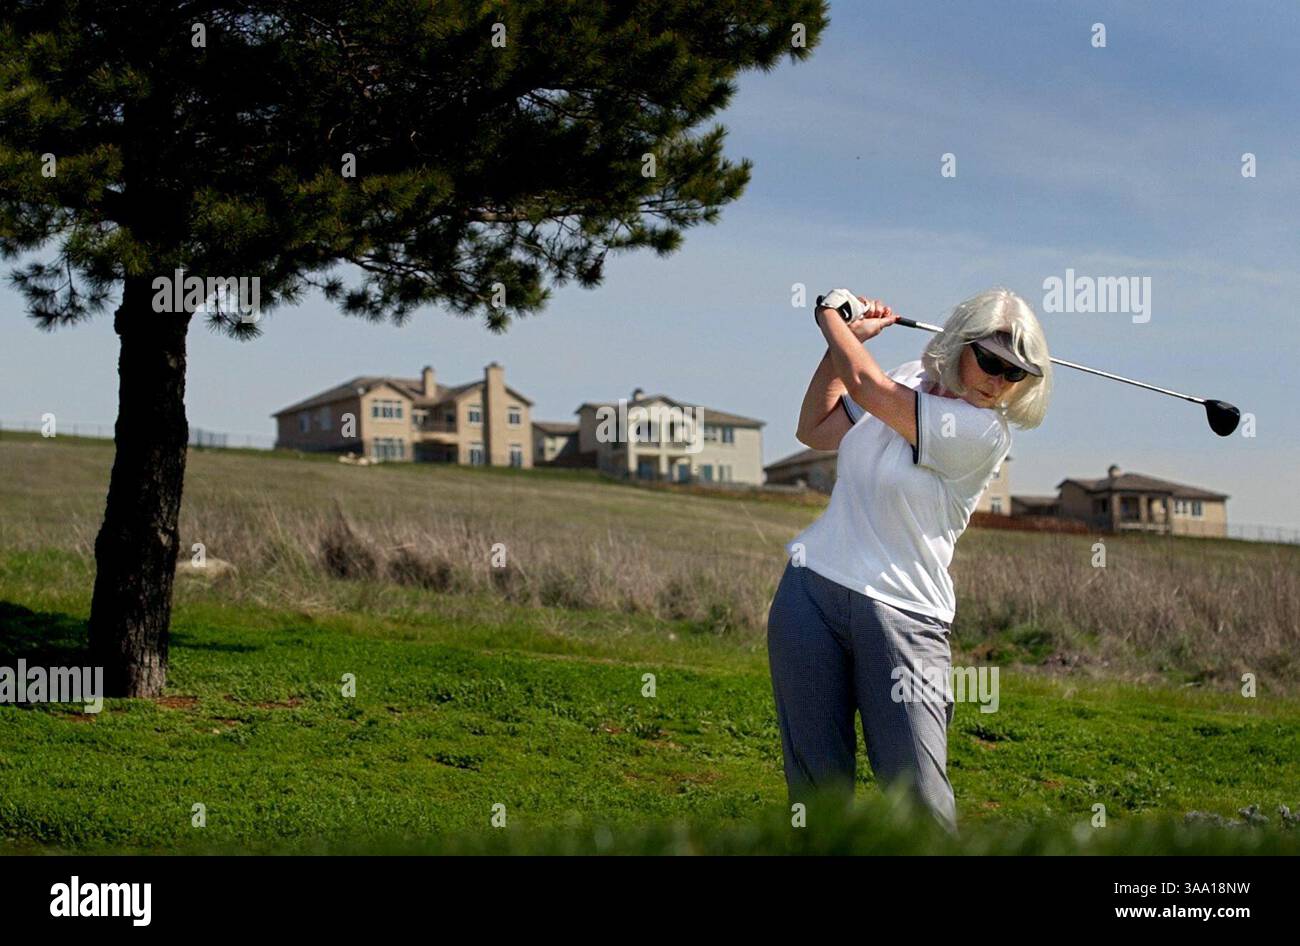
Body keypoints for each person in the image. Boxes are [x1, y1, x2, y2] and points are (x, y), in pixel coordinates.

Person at [767, 287, 1052, 833]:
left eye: (1016, 374)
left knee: (918, 796)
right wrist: (842, 346)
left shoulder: (981, 432)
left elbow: (867, 386)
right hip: (811, 591)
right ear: (960, 345)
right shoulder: (910, 377)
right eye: (991, 361)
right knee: (816, 791)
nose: (999, 381)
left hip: (903, 614)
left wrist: (830, 318)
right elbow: (815, 429)